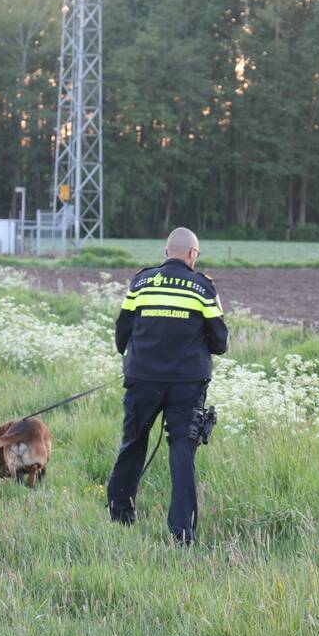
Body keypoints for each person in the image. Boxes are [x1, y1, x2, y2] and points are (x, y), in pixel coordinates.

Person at [106, 227, 229, 544]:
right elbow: (220, 342)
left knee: (133, 442)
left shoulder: (141, 282)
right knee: (182, 452)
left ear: (166, 252)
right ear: (192, 254)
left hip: (143, 379)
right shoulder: (203, 288)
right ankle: (182, 532)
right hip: (187, 384)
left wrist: (131, 358)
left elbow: (123, 329)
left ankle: (121, 514)